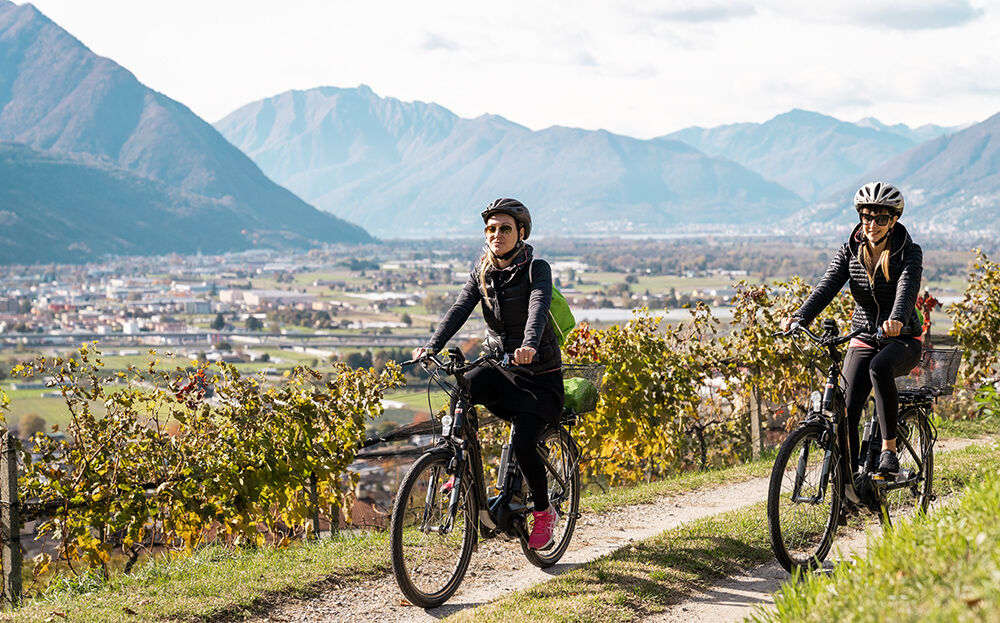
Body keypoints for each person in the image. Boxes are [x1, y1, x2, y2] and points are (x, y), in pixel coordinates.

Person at [412, 198, 564, 549]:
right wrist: (432, 345)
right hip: (500, 365)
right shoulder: (481, 270)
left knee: (525, 445)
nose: (497, 234)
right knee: (462, 389)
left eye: (505, 228)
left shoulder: (536, 268)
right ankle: (456, 461)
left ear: (521, 233)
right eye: (492, 229)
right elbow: (459, 308)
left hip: (538, 375)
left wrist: (528, 346)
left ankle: (543, 512)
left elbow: (538, 308)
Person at [782, 181, 923, 478]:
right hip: (864, 335)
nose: (872, 224)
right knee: (846, 407)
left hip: (903, 338)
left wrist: (897, 319)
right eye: (867, 217)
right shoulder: (849, 250)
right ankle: (847, 484)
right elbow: (827, 286)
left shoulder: (909, 252)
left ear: (893, 220)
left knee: (879, 367)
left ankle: (888, 451)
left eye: (881, 218)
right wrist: (800, 317)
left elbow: (906, 291)